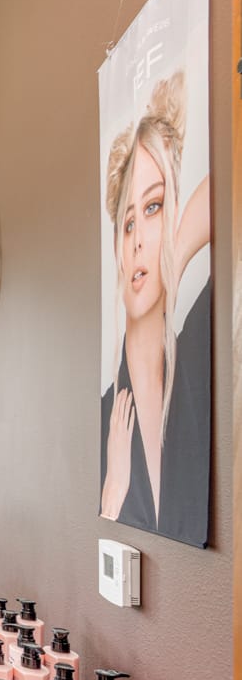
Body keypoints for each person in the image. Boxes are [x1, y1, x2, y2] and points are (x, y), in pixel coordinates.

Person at [99, 71, 211, 545]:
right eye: (127, 223)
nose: (139, 239)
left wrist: (176, 255)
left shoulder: (203, 353)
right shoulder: (104, 412)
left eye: (154, 206)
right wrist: (111, 495)